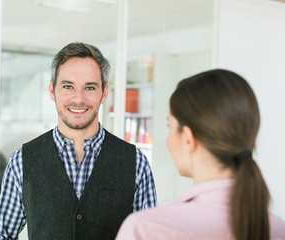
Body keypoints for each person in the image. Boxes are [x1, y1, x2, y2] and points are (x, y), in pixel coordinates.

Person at [0, 42, 157, 240]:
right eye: (68, 86)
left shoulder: (135, 163)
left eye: (90, 87)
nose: (79, 99)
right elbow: (0, 235)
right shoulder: (22, 161)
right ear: (52, 91)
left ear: (104, 93)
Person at [116, 69, 285, 240]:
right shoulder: (278, 229)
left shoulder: (146, 229)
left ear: (188, 139)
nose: (168, 140)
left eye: (170, 127)